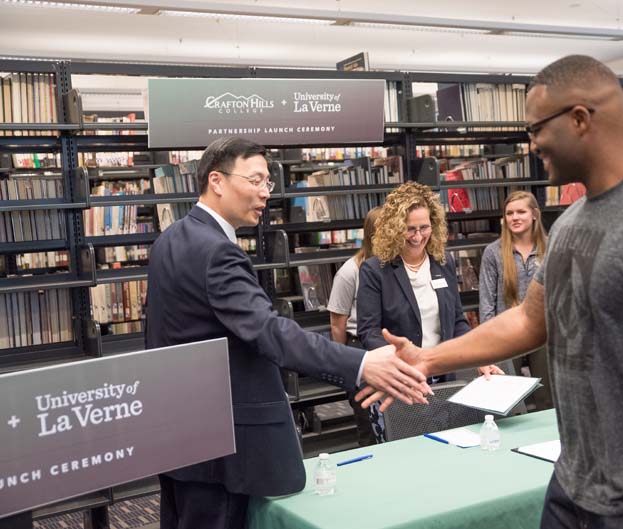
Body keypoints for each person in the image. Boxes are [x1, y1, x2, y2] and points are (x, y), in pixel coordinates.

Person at [359, 55, 623, 529]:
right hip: (576, 486)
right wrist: (428, 360)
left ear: (580, 118)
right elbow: (528, 320)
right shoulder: (572, 224)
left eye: (537, 126)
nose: (531, 141)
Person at [144, 137, 430, 529]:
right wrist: (361, 362)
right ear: (217, 180)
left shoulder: (170, 240)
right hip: (224, 446)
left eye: (268, 183)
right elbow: (270, 332)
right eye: (256, 180)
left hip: (180, 434)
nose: (265, 193)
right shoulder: (217, 252)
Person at [357, 181, 499, 442]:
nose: (418, 236)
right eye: (409, 229)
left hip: (441, 378)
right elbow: (368, 331)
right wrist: (401, 363)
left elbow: (457, 322)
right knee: (403, 453)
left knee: (442, 447)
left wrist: (478, 356)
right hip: (399, 379)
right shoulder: (375, 270)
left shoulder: (442, 265)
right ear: (394, 228)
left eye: (424, 228)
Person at [479, 190, 553, 412]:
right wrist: (486, 347)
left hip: (543, 335)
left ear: (535, 215)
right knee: (507, 404)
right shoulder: (493, 252)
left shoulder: (551, 247)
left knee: (547, 402)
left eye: (521, 211)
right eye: (509, 213)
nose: (515, 217)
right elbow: (486, 304)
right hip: (506, 336)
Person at [327, 206, 382, 446]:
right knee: (368, 425)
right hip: (360, 350)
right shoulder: (350, 271)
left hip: (387, 349)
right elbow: (337, 323)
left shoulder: (394, 266)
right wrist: (345, 368)